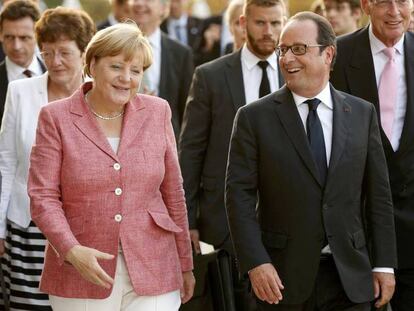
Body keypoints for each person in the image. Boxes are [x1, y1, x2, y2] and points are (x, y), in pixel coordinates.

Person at [226, 11, 397, 311]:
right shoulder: (253, 118)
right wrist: (255, 262)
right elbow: (238, 197)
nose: (287, 59)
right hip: (281, 281)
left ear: (328, 54)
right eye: (283, 50)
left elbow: (378, 197)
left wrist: (384, 264)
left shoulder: (361, 114)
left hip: (351, 280)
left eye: (299, 49)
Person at [28, 22, 195, 311]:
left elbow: (173, 193)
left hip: (155, 265)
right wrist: (71, 250)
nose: (126, 79)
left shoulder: (158, 111)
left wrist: (185, 264)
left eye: (136, 70)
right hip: (81, 270)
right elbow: (42, 197)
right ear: (92, 64)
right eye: (117, 67)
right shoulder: (55, 118)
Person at [178, 0, 285, 309]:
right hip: (222, 221)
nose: (269, 32)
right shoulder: (210, 76)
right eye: (260, 23)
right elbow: (191, 151)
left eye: (276, 23)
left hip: (285, 220)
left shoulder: (295, 70)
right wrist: (188, 220)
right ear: (242, 23)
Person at [0, 6, 95, 310]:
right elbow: (6, 161)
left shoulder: (100, 97)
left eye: (64, 52)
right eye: (48, 52)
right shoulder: (20, 92)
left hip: (83, 230)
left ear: (84, 53)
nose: (55, 62)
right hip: (27, 228)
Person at [330, 0, 414, 310]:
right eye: (383, 2)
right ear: (366, 5)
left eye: (402, 1)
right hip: (354, 235)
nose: (394, 11)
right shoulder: (336, 56)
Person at [129, 0, 193, 141]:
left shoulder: (181, 54)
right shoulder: (112, 48)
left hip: (165, 145)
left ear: (164, 8)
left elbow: (186, 112)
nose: (139, 3)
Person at [0, 0, 45, 125]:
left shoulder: (56, 76)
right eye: (9, 37)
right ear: (0, 34)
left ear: (38, 36)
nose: (16, 46)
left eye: (24, 38)